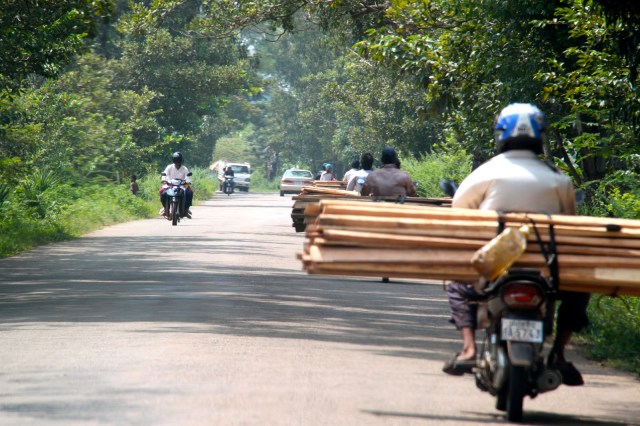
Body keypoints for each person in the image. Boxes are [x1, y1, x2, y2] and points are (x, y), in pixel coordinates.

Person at [442, 103, 589, 387]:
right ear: (540, 136)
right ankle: (559, 353)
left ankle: (469, 349)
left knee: (458, 286)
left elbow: (459, 212)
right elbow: (569, 222)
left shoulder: (485, 173)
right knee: (580, 290)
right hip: (547, 272)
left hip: (494, 267)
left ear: (501, 134)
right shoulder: (558, 178)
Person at [160, 152, 193, 218]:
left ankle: (186, 209)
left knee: (189, 192)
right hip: (170, 185)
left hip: (182, 185)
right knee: (162, 192)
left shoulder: (184, 168)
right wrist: (163, 179)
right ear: (174, 161)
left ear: (181, 161)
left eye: (179, 161)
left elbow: (187, 177)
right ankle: (165, 208)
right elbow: (164, 174)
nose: (178, 163)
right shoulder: (169, 167)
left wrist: (188, 182)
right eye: (176, 161)